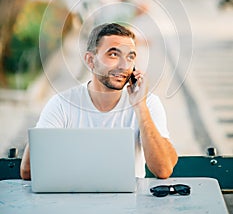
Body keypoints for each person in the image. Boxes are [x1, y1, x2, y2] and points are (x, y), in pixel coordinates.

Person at [20, 23, 177, 180]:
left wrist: (140, 107)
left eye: (130, 57)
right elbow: (29, 171)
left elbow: (163, 169)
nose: (124, 66)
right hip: (75, 200)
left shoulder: (148, 104)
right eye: (114, 55)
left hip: (129, 203)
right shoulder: (62, 104)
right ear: (90, 60)